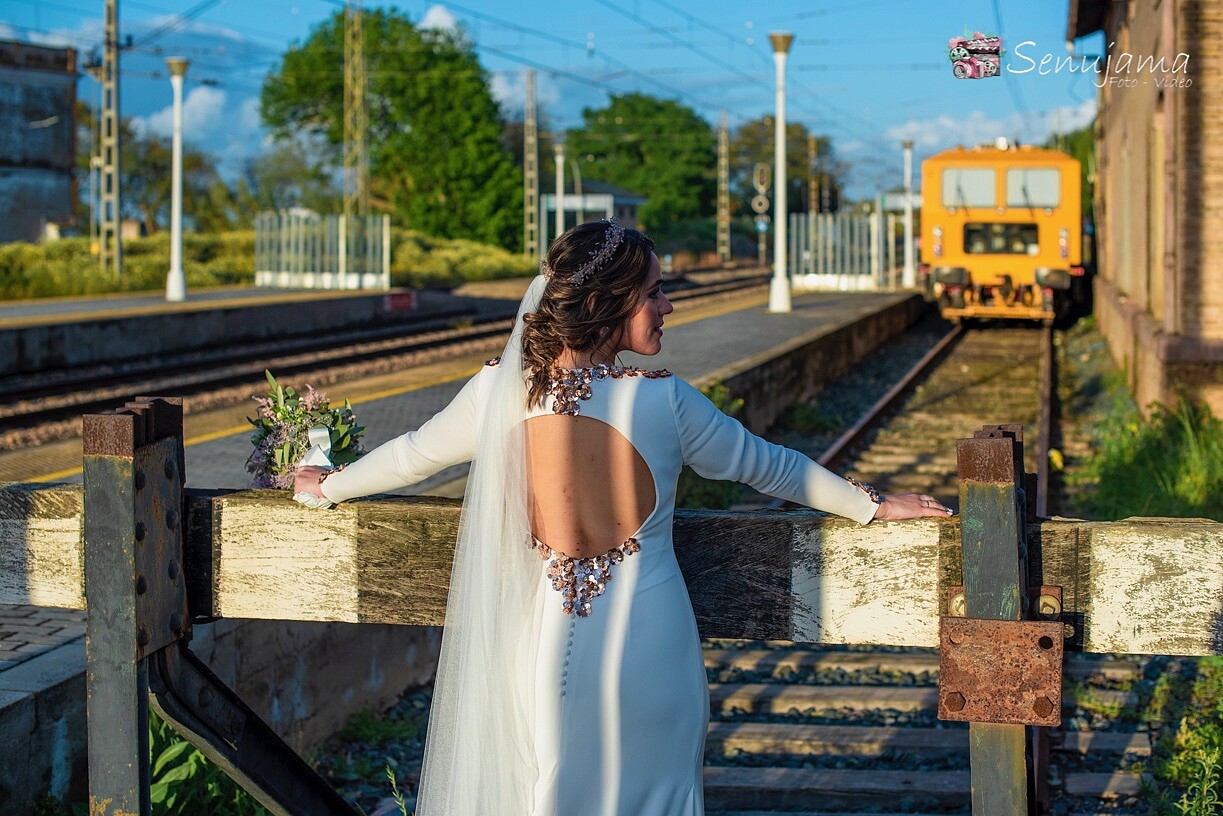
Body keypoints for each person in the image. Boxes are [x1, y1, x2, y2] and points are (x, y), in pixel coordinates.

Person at [293, 219, 952, 816]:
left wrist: (327, 488)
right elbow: (770, 466)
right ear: (606, 305)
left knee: (554, 793)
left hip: (548, 647)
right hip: (654, 645)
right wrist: (872, 506)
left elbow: (412, 457)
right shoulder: (668, 401)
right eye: (654, 293)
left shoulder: (497, 390)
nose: (668, 306)